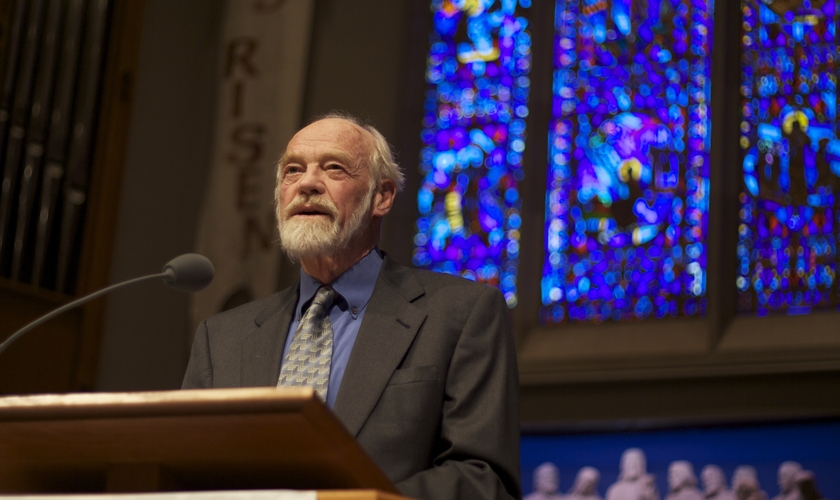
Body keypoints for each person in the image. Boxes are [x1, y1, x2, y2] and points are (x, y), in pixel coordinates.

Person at [182, 113, 520, 500]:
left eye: (334, 168)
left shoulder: (461, 314)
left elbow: (483, 479)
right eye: (293, 171)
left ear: (382, 196)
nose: (307, 183)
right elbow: (187, 475)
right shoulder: (221, 338)